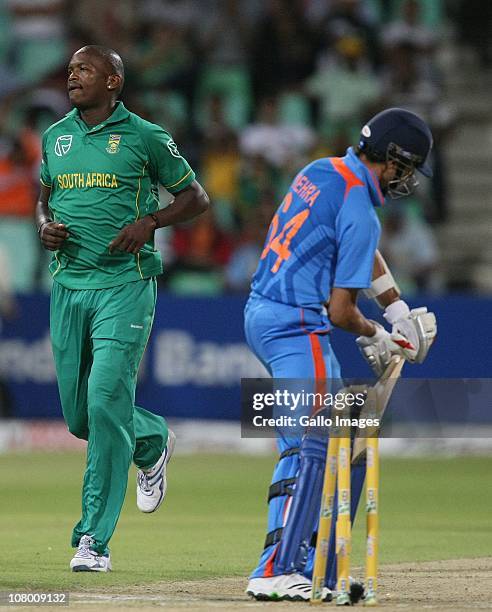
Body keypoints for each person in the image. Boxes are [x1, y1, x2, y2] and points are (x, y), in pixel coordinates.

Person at [244, 108, 437, 601]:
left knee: (341, 436)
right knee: (310, 442)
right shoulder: (361, 211)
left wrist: (397, 310)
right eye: (408, 168)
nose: (407, 179)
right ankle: (276, 568)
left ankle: (315, 563)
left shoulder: (323, 171)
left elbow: (358, 247)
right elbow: (341, 310)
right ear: (393, 160)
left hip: (264, 311)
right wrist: (378, 335)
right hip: (296, 323)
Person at [35, 45, 209, 572]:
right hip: (68, 286)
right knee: (82, 414)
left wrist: (150, 222)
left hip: (124, 285)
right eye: (70, 69)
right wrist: (45, 224)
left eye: (85, 69)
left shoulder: (146, 136)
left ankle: (93, 539)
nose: (73, 76)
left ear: (113, 82)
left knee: (106, 394)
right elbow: (46, 193)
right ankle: (152, 439)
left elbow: (196, 198)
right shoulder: (55, 136)